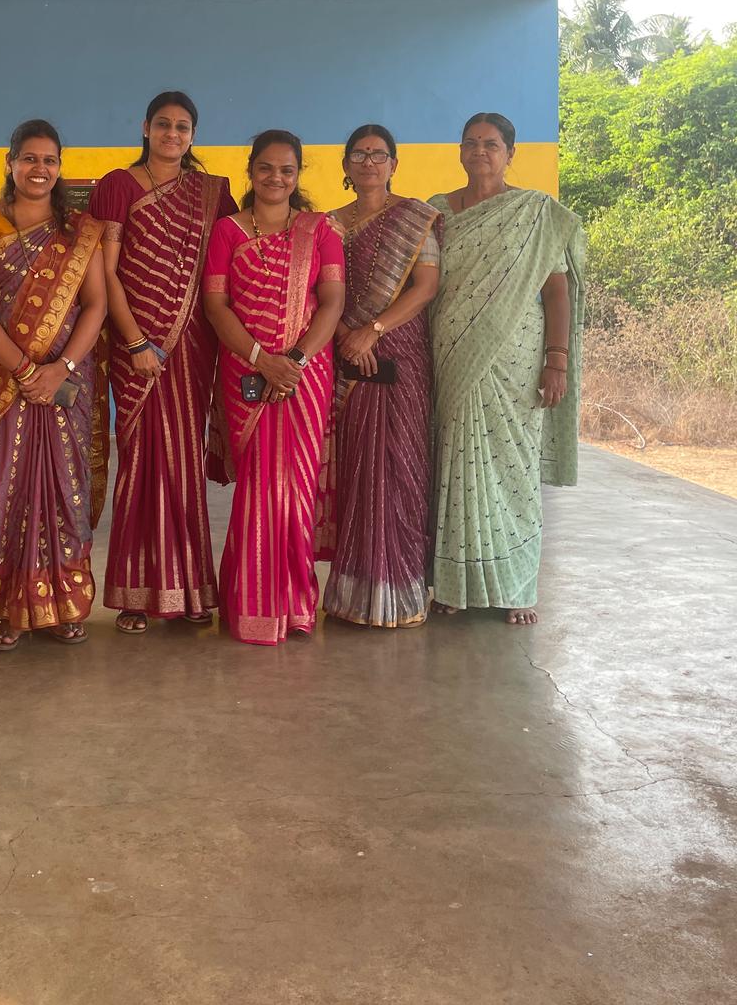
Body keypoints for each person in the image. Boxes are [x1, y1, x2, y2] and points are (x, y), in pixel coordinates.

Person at [0, 120, 109, 650]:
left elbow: (96, 305)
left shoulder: (80, 230)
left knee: (64, 489)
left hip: (65, 383)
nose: (39, 168)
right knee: (5, 489)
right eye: (29, 158)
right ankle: (6, 610)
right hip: (5, 382)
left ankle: (62, 605)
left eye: (49, 160)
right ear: (11, 163)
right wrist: (24, 370)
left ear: (60, 167)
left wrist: (60, 368)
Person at [428, 112, 584, 626]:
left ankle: (517, 586)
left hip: (518, 358)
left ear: (510, 153)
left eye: (491, 144)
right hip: (453, 354)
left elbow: (556, 290)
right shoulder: (436, 212)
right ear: (460, 151)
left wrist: (556, 360)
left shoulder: (534, 213)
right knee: (456, 464)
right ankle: (455, 586)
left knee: (515, 468)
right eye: (470, 143)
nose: (480, 152)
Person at [90, 92, 237, 633]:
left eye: (182, 126)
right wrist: (133, 342)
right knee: (142, 462)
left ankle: (190, 589)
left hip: (193, 344)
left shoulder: (212, 193)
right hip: (136, 346)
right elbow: (105, 272)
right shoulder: (118, 185)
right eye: (163, 124)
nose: (172, 134)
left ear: (193, 135)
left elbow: (228, 266)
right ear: (145, 128)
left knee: (183, 463)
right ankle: (136, 592)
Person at [202, 131, 346, 645]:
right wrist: (262, 360)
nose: (275, 177)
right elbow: (216, 306)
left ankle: (297, 606)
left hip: (306, 374)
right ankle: (250, 606)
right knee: (259, 486)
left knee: (298, 488)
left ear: (297, 174)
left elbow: (332, 301)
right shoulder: (227, 232)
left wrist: (296, 360)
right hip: (247, 371)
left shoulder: (319, 230)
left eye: (286, 169)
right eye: (265, 167)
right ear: (251, 170)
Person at [316, 125, 441, 627]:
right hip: (345, 351)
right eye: (359, 154)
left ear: (394, 164)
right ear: (346, 164)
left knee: (399, 466)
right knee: (355, 470)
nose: (369, 162)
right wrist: (347, 335)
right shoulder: (327, 224)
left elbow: (426, 287)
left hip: (400, 353)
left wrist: (373, 330)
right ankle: (353, 594)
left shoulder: (416, 218)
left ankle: (401, 593)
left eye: (378, 154)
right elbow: (317, 291)